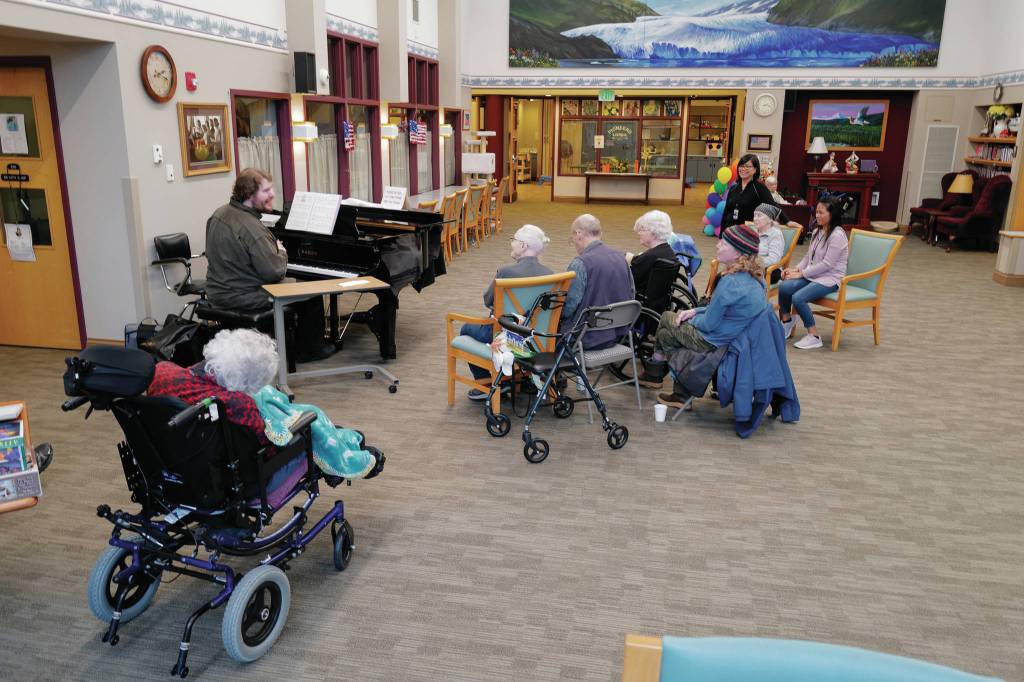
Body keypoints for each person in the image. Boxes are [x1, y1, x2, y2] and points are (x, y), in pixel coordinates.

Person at [148, 329, 383, 481]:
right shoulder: (238, 405)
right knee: (311, 418)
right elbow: (269, 449)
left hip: (173, 460)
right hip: (226, 472)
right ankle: (339, 450)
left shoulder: (163, 372)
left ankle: (339, 436)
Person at [205, 167, 333, 362]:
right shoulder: (252, 228)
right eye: (266, 191)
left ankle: (289, 340)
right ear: (249, 195)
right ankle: (309, 350)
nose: (272, 194)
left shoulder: (218, 214)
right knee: (311, 293)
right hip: (243, 297)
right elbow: (274, 272)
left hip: (217, 293)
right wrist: (280, 252)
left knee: (297, 287)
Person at [639, 224, 769, 408]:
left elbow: (708, 325)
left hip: (715, 340)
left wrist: (690, 318)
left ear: (738, 254)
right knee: (667, 334)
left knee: (667, 317)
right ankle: (673, 388)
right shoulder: (756, 277)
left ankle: (655, 373)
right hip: (738, 336)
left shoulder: (730, 282)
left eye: (724, 244)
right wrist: (694, 310)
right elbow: (723, 311)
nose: (717, 246)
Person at [460, 224, 553, 400]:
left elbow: (488, 301)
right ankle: (519, 377)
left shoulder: (506, 271)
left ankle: (485, 383)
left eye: (514, 240)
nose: (512, 244)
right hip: (535, 338)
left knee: (466, 329)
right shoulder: (550, 274)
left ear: (524, 246)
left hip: (504, 336)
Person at [778, 195, 850, 350]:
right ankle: (786, 321)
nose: (817, 215)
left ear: (832, 214)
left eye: (821, 213)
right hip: (814, 275)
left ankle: (814, 335)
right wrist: (795, 269)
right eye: (816, 212)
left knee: (798, 298)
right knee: (784, 287)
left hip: (830, 279)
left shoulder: (837, 235)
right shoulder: (818, 231)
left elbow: (827, 264)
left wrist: (802, 274)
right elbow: (808, 256)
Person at [562, 214, 635, 350]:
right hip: (618, 334)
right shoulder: (621, 258)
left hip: (585, 337)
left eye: (572, 240)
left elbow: (569, 306)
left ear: (578, 233)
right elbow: (631, 293)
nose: (574, 245)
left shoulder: (580, 263)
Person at [720, 154, 784, 231]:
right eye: (741, 166)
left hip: (748, 233)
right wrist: (721, 235)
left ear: (755, 170)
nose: (743, 169)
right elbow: (726, 212)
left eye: (747, 166)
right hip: (730, 231)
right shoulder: (734, 188)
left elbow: (773, 205)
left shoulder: (759, 188)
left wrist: (788, 221)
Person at [627, 210, 677, 305]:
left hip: (640, 305)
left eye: (642, 229)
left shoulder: (650, 256)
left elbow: (627, 282)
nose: (639, 233)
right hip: (659, 303)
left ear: (653, 232)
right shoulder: (668, 252)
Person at [752, 203, 786, 284]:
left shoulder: (775, 234)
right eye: (754, 215)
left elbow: (774, 259)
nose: (755, 218)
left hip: (770, 269)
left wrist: (755, 264)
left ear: (770, 219)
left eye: (759, 215)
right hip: (752, 266)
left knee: (744, 277)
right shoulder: (753, 231)